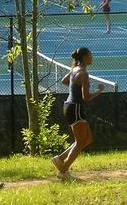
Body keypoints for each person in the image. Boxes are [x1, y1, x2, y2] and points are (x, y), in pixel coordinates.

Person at [51, 48, 104, 180]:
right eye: (90, 55)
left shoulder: (75, 69)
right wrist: (99, 91)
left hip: (70, 107)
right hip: (76, 108)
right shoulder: (84, 73)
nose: (92, 57)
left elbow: (64, 81)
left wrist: (74, 87)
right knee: (80, 143)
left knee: (87, 139)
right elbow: (85, 97)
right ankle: (63, 171)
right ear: (85, 57)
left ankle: (60, 159)